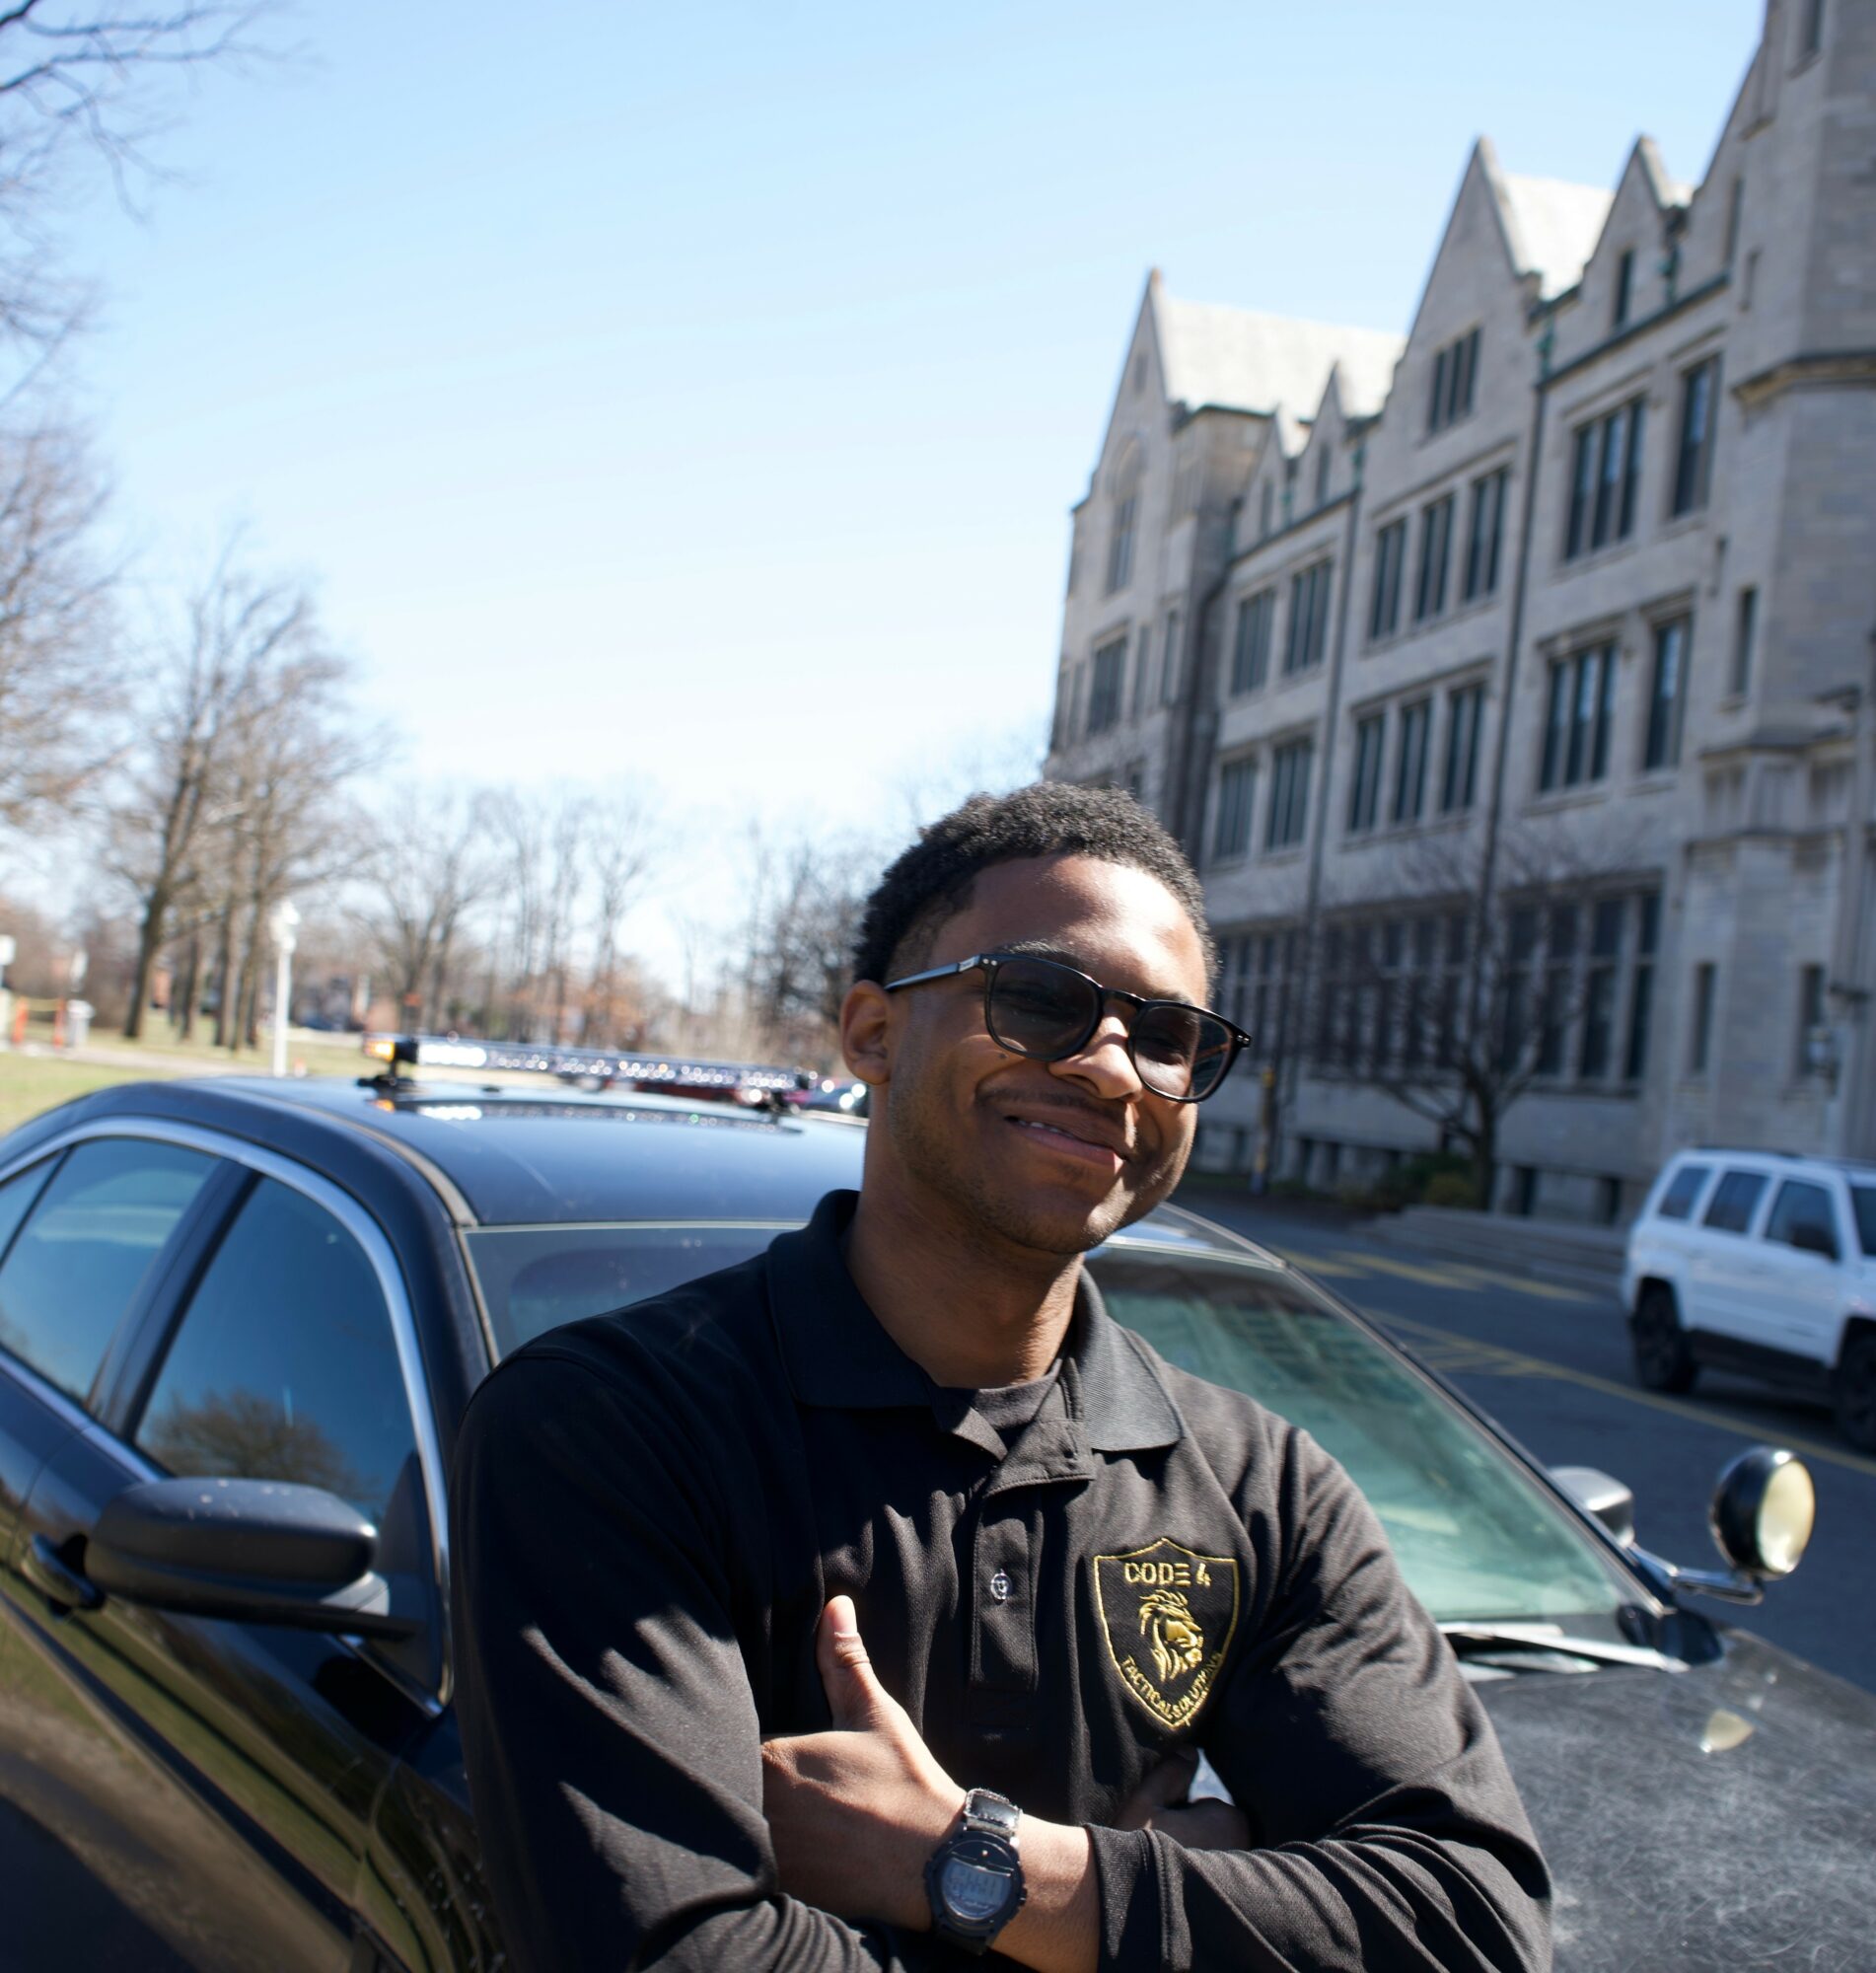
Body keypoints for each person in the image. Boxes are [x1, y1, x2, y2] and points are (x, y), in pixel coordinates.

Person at [451, 782, 1551, 1972]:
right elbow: (673, 1954)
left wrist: (985, 1864)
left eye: (1172, 1035)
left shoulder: (1263, 1487)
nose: (1118, 1068)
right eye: (1042, 999)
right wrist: (1211, 1890)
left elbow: (1471, 1923)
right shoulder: (608, 1429)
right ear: (872, 1031)